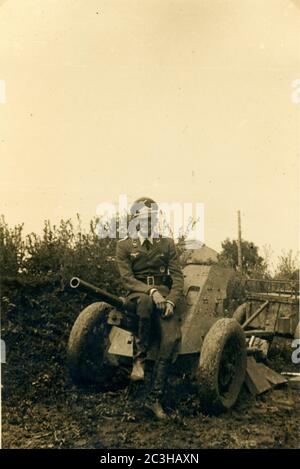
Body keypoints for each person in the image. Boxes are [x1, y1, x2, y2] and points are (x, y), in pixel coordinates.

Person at [116, 197, 184, 419]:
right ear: (135, 220)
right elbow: (127, 279)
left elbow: (177, 278)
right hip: (138, 294)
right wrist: (151, 291)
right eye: (143, 219)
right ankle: (140, 360)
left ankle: (155, 398)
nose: (147, 224)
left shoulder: (166, 244)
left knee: (171, 337)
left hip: (164, 296)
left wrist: (171, 301)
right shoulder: (124, 245)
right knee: (145, 302)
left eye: (151, 219)